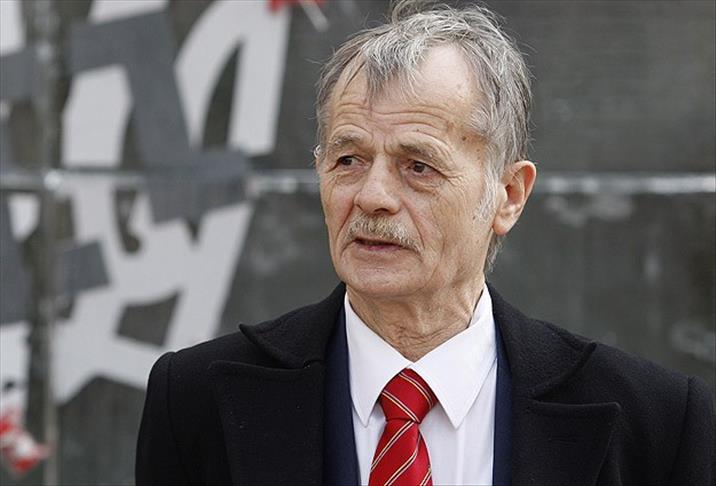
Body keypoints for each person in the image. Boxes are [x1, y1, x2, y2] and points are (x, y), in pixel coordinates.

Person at [136, 1, 715, 485]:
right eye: (348, 159)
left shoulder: (657, 425)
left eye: (418, 166)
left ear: (509, 195)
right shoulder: (196, 403)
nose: (372, 196)